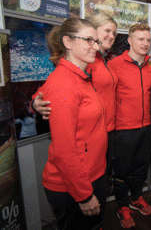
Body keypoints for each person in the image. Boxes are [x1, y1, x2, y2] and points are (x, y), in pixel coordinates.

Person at [32, 18, 108, 230]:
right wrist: (83, 195)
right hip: (73, 186)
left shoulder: (79, 76)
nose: (96, 45)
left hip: (92, 174)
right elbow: (65, 150)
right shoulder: (64, 83)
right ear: (68, 41)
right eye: (89, 40)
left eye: (96, 41)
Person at [32, 13, 118, 177]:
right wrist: (35, 103)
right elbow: (52, 87)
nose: (111, 36)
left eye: (114, 33)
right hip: (88, 137)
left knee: (101, 179)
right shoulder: (81, 59)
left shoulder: (99, 59)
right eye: (107, 30)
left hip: (107, 132)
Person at [108, 23, 151, 229]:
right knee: (122, 171)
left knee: (141, 167)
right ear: (129, 40)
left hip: (146, 127)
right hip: (123, 129)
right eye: (140, 39)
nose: (145, 43)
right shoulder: (114, 65)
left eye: (148, 40)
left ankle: (135, 198)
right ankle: (122, 207)